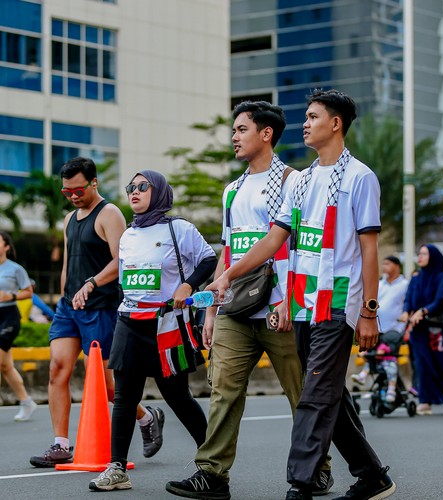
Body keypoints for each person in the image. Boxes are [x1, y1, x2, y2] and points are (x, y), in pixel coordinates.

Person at [187, 90, 396, 500]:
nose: (305, 123)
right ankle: (372, 475)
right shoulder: (302, 181)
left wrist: (370, 311)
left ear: (335, 123)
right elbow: (274, 239)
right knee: (328, 394)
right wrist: (226, 276)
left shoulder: (360, 178)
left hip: (337, 302)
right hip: (302, 304)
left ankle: (301, 483)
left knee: (313, 395)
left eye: (313, 117)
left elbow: (369, 250)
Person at [166, 101, 330, 500]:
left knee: (301, 395)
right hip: (235, 308)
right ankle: (212, 474)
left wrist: (290, 300)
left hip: (281, 307)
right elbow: (228, 250)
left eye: (242, 129)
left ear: (266, 133)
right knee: (223, 391)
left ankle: (317, 469)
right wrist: (211, 309)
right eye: (234, 130)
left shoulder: (294, 181)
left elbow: (300, 245)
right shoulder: (233, 190)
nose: (234, 137)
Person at [30, 157, 163, 467]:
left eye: (78, 190)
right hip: (69, 308)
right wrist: (64, 298)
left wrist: (91, 284)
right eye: (67, 192)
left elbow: (122, 262)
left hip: (101, 308)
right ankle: (60, 444)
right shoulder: (69, 219)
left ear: (94, 182)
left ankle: (146, 417)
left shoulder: (109, 214)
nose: (73, 196)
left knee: (108, 386)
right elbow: (68, 263)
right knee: (57, 369)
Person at [89, 170, 217, 491]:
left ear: (158, 191)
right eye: (130, 187)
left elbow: (208, 260)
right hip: (129, 321)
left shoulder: (179, 229)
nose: (134, 191)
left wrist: (188, 285)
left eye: (142, 186)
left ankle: (213, 460)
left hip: (166, 325)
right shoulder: (128, 236)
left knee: (177, 396)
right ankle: (117, 468)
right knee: (124, 397)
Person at [400, 244, 443, 416]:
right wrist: (406, 311)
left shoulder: (441, 278)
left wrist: (423, 311)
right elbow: (408, 298)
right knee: (422, 363)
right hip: (419, 328)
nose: (420, 257)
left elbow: (440, 300)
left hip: (437, 328)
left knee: (442, 364)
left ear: (433, 257)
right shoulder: (416, 278)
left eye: (424, 254)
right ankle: (425, 401)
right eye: (419, 254)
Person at [351, 255, 408, 402]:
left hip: (395, 329)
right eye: (383, 264)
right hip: (378, 329)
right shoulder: (380, 284)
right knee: (371, 353)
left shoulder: (405, 285)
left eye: (387, 264)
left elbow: (409, 304)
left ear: (397, 266)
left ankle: (391, 389)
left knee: (387, 355)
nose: (384, 267)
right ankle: (364, 376)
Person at [0, 230, 37, 421]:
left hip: (8, 317)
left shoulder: (15, 269)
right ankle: (26, 402)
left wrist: (11, 296)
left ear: (6, 246)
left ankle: (26, 402)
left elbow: (29, 292)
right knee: (5, 366)